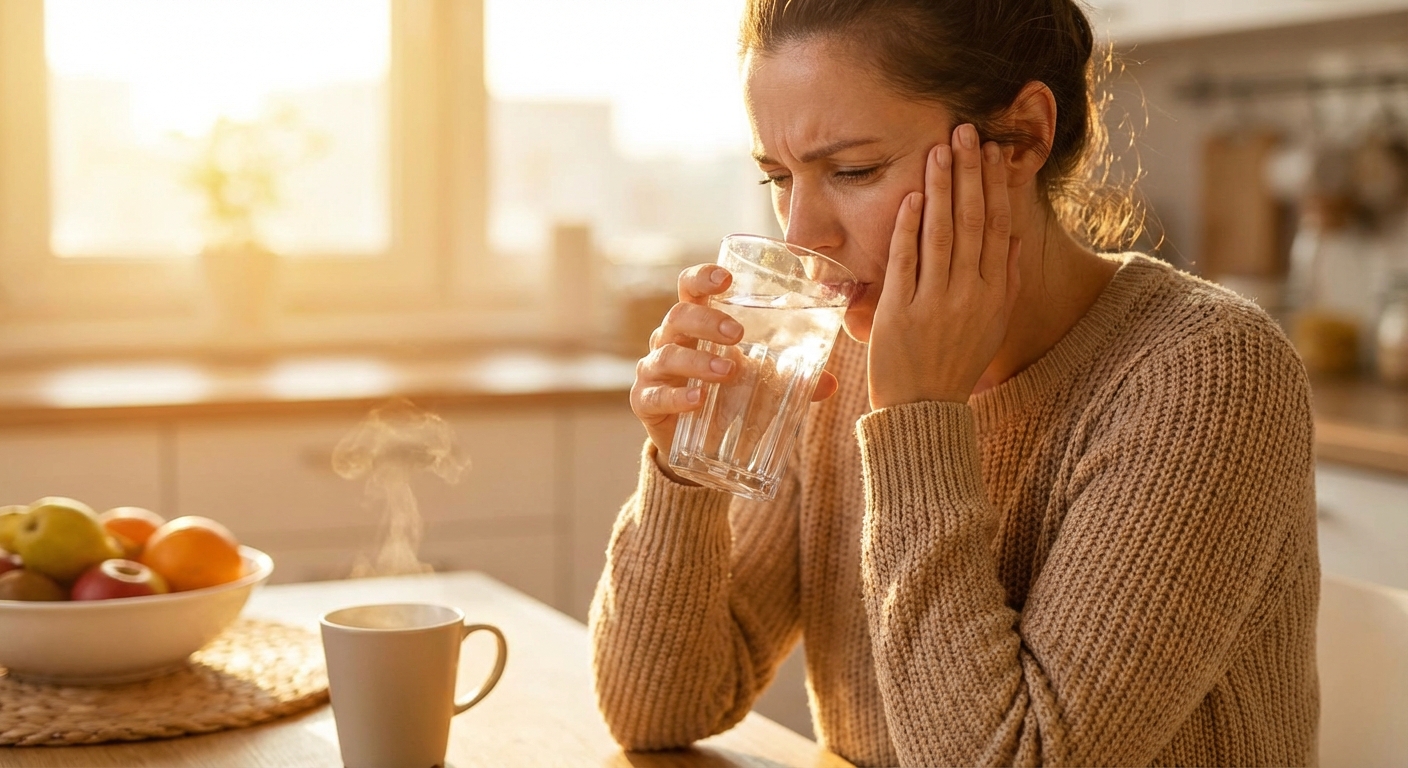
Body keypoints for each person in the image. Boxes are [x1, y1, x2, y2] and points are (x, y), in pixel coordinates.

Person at [589, 0, 1319, 765]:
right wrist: (686, 473)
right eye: (778, 175)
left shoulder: (1208, 372)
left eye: (853, 170)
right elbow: (657, 709)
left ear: (1022, 137)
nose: (801, 235)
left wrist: (917, 416)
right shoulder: (831, 357)